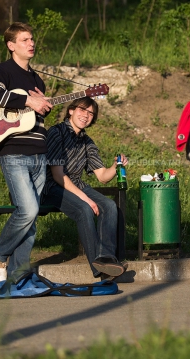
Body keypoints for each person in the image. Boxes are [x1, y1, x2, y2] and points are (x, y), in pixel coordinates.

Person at [0, 22, 52, 282]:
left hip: (39, 153)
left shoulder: (38, 79)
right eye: (24, 40)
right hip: (13, 152)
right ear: (11, 45)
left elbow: (34, 119)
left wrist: (42, 108)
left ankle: (19, 274)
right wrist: (27, 100)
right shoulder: (4, 70)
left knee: (31, 219)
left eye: (32, 39)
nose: (31, 43)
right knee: (28, 210)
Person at [41, 97, 128, 280]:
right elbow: (57, 175)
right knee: (84, 209)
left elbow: (103, 176)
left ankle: (106, 257)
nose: (86, 115)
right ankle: (100, 270)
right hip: (51, 186)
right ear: (71, 110)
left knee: (109, 206)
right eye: (82, 110)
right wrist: (86, 199)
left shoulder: (87, 141)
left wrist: (116, 166)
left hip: (75, 185)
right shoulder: (56, 133)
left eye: (91, 113)